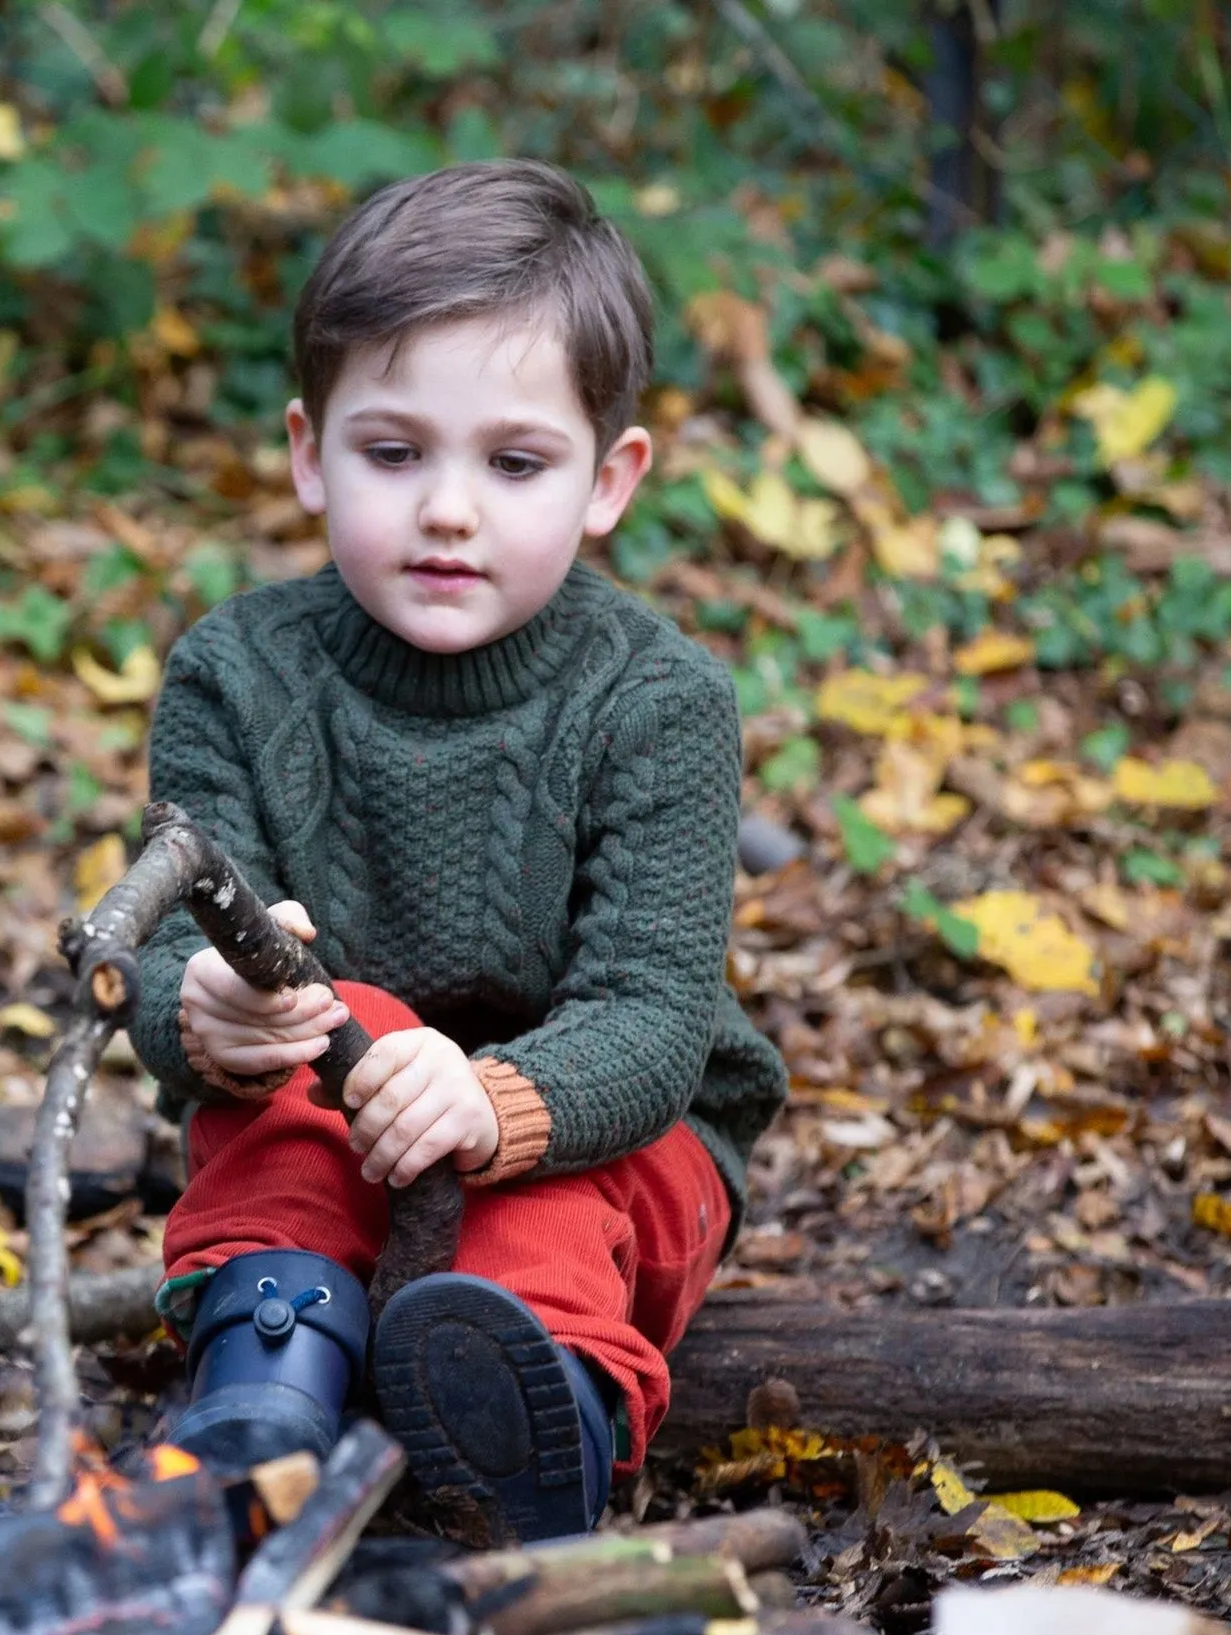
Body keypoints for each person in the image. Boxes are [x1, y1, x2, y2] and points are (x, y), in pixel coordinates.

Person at [134, 159, 787, 1539]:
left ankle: (537, 1408)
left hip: (598, 1137)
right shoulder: (235, 676)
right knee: (321, 1031)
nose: (447, 509)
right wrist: (201, 1007)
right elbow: (183, 931)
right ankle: (272, 1369)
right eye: (393, 453)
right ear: (309, 453)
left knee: (546, 1204)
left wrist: (497, 1101)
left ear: (607, 482)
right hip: (337, 1141)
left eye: (513, 463)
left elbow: (654, 1019)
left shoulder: (656, 702)